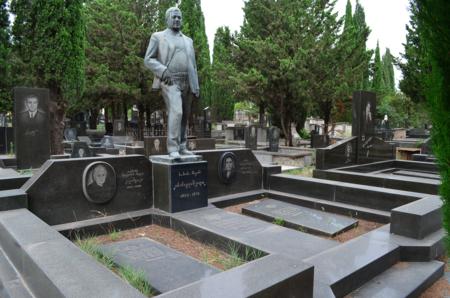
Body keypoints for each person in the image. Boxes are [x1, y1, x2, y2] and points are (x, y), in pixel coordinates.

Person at [144, 7, 200, 159]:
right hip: (169, 81)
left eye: (179, 18)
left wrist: (195, 85)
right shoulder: (158, 37)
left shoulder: (188, 40)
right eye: (174, 17)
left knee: (185, 115)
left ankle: (182, 146)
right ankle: (172, 148)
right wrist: (162, 70)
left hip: (187, 82)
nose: (177, 20)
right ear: (167, 19)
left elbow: (193, 65)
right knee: (177, 112)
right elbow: (148, 59)